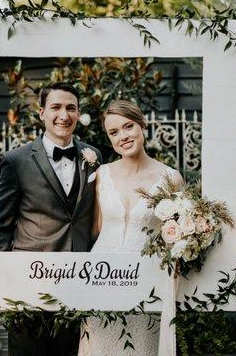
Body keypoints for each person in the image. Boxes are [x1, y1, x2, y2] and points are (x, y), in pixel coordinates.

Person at [0, 81, 101, 356]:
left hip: (78, 278)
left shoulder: (93, 155)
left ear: (78, 113)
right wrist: (0, 280)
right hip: (30, 280)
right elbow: (0, 226)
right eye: (56, 107)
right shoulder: (16, 160)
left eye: (71, 108)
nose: (64, 115)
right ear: (41, 113)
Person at [78, 100, 183, 356]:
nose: (123, 136)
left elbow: (179, 236)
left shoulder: (171, 178)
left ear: (142, 125)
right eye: (114, 133)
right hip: (101, 277)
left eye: (128, 127)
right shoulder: (101, 174)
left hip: (147, 281)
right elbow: (94, 230)